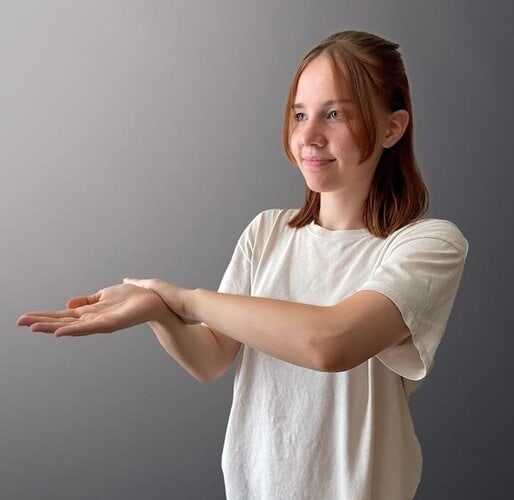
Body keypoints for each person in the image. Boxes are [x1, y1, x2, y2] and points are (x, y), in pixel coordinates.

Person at [17, 30, 468, 500]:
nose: (309, 136)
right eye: (300, 114)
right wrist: (157, 310)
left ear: (393, 128)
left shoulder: (427, 245)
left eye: (335, 114)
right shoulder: (266, 232)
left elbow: (331, 343)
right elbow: (211, 358)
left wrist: (186, 300)